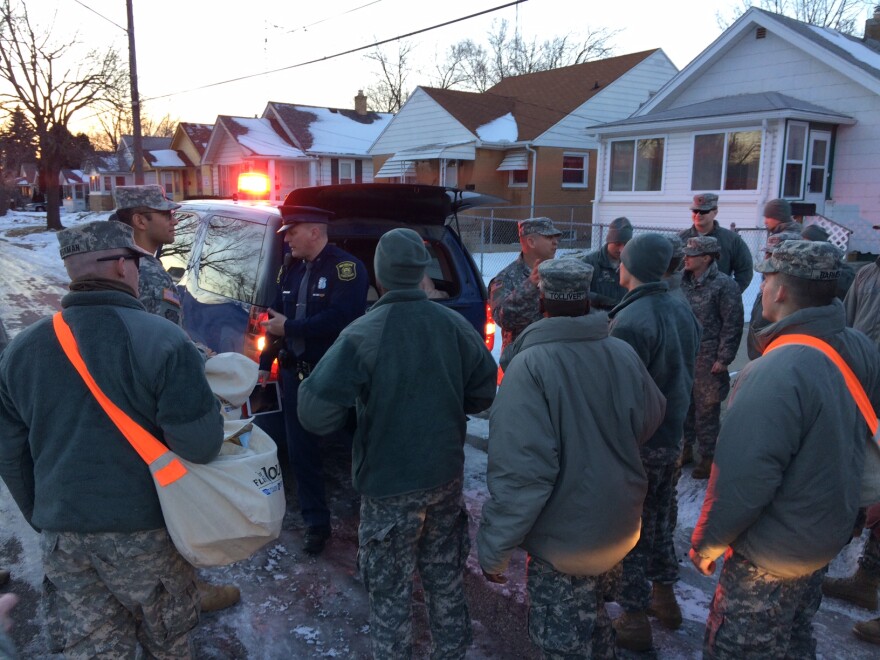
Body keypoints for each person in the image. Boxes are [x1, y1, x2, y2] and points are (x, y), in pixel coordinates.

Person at [0, 221, 224, 658]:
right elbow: (200, 445)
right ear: (122, 266)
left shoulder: (21, 350)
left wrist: (46, 517)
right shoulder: (165, 340)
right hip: (149, 534)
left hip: (66, 539)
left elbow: (10, 454)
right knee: (169, 646)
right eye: (137, 263)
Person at [297, 228, 497, 658]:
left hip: (388, 486)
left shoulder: (362, 334)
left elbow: (315, 414)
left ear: (380, 275)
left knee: (389, 593)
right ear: (423, 271)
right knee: (445, 580)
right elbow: (484, 394)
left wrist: (359, 406)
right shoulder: (455, 326)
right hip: (444, 478)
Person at [690, 240, 880, 658]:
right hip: (824, 538)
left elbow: (744, 476)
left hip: (769, 556)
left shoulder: (773, 370)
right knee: (795, 637)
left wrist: (708, 542)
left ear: (777, 290)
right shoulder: (860, 348)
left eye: (767, 279)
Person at [477, 258, 665, 658]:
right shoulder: (621, 352)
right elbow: (652, 415)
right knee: (595, 624)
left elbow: (522, 472)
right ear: (586, 298)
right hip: (618, 527)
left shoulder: (530, 365)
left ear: (542, 299)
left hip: (564, 544)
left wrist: (495, 546)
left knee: (563, 642)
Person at [113, 184, 237, 610]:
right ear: (139, 220)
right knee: (172, 497)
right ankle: (185, 591)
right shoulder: (142, 272)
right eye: (163, 213)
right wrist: (202, 361)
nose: (173, 219)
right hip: (154, 409)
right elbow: (161, 344)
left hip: (132, 405)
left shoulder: (130, 265)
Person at [608, 233, 701, 651]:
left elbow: (623, 397)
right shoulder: (681, 310)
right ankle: (665, 599)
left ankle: (633, 617)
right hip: (672, 438)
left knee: (632, 532)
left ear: (634, 267)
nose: (617, 266)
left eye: (624, 260)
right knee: (662, 522)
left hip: (640, 445)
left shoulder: (630, 322)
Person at [259, 205, 369, 555]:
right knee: (302, 453)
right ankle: (315, 525)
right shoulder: (289, 271)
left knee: (362, 446)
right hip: (296, 375)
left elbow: (343, 319)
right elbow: (276, 318)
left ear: (315, 232)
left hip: (338, 377)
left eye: (292, 232)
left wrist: (291, 328)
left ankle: (373, 516)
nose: (287, 239)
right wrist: (265, 360)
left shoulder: (346, 269)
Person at [680, 236, 744, 478]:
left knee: (706, 410)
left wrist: (724, 358)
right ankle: (685, 448)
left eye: (691, 254)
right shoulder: (681, 282)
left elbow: (732, 323)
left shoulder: (724, 285)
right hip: (684, 356)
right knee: (682, 406)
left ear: (706, 258)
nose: (685, 257)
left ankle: (707, 458)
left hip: (709, 358)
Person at [488, 217, 562, 356]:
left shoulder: (559, 272)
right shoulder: (505, 278)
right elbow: (502, 318)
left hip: (555, 356)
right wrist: (530, 285)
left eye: (556, 237)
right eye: (548, 237)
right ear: (531, 242)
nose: (555, 242)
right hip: (521, 360)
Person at [111, 184, 184, 324]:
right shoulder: (152, 276)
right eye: (166, 215)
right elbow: (169, 341)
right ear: (140, 221)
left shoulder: (111, 264)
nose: (175, 221)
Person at [745, 231, 803, 360]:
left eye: (773, 254)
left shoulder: (793, 291)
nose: (767, 258)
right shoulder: (766, 280)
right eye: (766, 253)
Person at [680, 193, 754, 292]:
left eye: (704, 211)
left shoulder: (731, 240)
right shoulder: (680, 239)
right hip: (684, 301)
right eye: (695, 211)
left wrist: (730, 294)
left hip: (717, 302)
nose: (698, 215)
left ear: (715, 212)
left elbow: (745, 271)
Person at [576, 216, 633, 310]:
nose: (621, 249)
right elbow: (578, 291)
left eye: (626, 244)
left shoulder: (632, 263)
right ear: (609, 241)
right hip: (598, 317)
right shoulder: (589, 263)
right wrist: (600, 299)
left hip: (624, 316)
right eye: (617, 244)